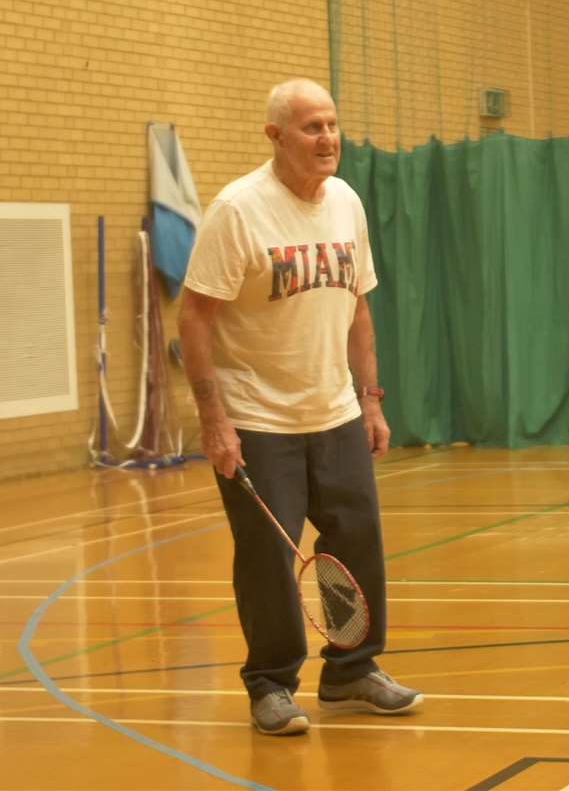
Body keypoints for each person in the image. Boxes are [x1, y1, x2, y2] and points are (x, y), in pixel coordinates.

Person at [177, 78, 422, 735]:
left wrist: (370, 401)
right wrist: (214, 419)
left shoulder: (345, 201)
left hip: (335, 413)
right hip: (259, 422)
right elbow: (195, 317)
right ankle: (271, 684)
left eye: (333, 124)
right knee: (267, 560)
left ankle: (350, 671)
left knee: (356, 546)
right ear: (275, 136)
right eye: (312, 127)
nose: (328, 139)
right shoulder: (238, 210)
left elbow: (358, 306)